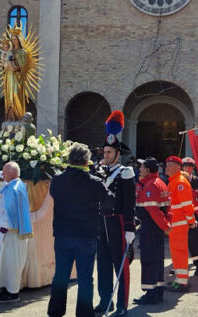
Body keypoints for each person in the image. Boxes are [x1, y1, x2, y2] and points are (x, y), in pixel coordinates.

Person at [47, 143, 108, 317]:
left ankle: (55, 312)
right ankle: (84, 313)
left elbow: (54, 194)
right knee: (85, 279)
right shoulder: (94, 182)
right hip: (85, 236)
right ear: (86, 161)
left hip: (62, 234)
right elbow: (108, 201)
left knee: (60, 275)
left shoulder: (57, 179)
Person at [93, 111, 136, 316]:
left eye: (109, 152)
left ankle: (121, 304)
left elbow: (130, 203)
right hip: (101, 223)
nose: (106, 155)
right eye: (105, 152)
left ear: (118, 154)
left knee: (121, 265)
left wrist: (129, 227)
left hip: (118, 222)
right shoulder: (98, 172)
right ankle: (105, 300)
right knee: (102, 264)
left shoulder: (126, 173)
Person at [0, 161, 33, 303]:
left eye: (4, 173)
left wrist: (2, 230)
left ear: (10, 174)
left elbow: (9, 212)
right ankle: (8, 288)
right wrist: (2, 173)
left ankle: (12, 293)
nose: (2, 175)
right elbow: (6, 174)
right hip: (19, 232)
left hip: (10, 232)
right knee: (11, 262)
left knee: (10, 263)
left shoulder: (11, 189)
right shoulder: (18, 184)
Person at [132, 157, 170, 305]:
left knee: (149, 261)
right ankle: (158, 291)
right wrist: (166, 225)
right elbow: (166, 209)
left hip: (150, 227)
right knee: (158, 260)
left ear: (147, 170)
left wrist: (165, 226)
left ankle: (150, 294)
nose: (139, 169)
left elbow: (154, 212)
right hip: (156, 228)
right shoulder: (160, 183)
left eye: (141, 167)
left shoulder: (150, 186)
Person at [165, 155, 196, 292]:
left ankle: (182, 282)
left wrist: (191, 221)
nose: (166, 167)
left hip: (179, 224)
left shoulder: (180, 182)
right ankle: (179, 279)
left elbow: (187, 205)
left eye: (169, 165)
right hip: (175, 224)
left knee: (179, 252)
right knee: (176, 253)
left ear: (177, 167)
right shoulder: (174, 181)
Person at [181, 157, 198, 275]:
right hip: (181, 215)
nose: (187, 168)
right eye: (185, 166)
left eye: (189, 166)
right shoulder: (178, 180)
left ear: (192, 168)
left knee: (195, 239)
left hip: (195, 215)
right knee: (183, 241)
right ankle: (182, 264)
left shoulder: (197, 181)